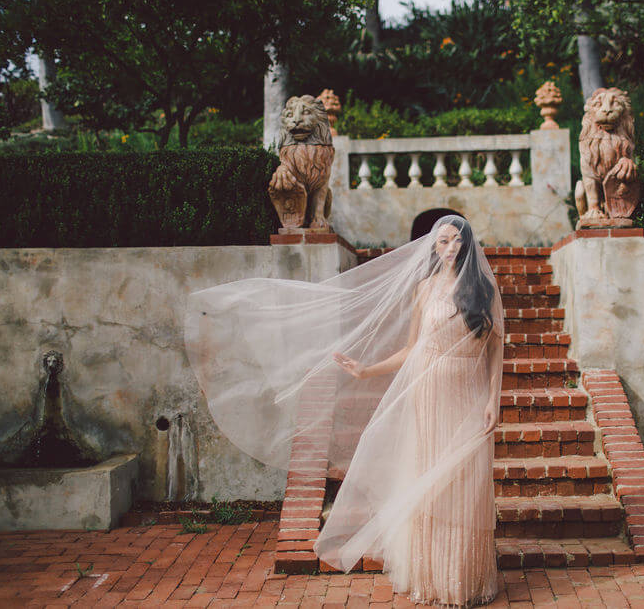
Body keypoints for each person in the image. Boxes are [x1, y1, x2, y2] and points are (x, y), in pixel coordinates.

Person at [186, 215, 503, 607]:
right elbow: (410, 350)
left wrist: (493, 400)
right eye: (442, 242)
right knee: (430, 485)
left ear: (467, 244)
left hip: (467, 395)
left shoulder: (483, 290)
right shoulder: (423, 290)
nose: (450, 247)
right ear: (434, 248)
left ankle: (465, 579)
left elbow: (495, 351)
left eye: (456, 240)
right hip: (428, 391)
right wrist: (367, 369)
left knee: (465, 484)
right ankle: (435, 579)